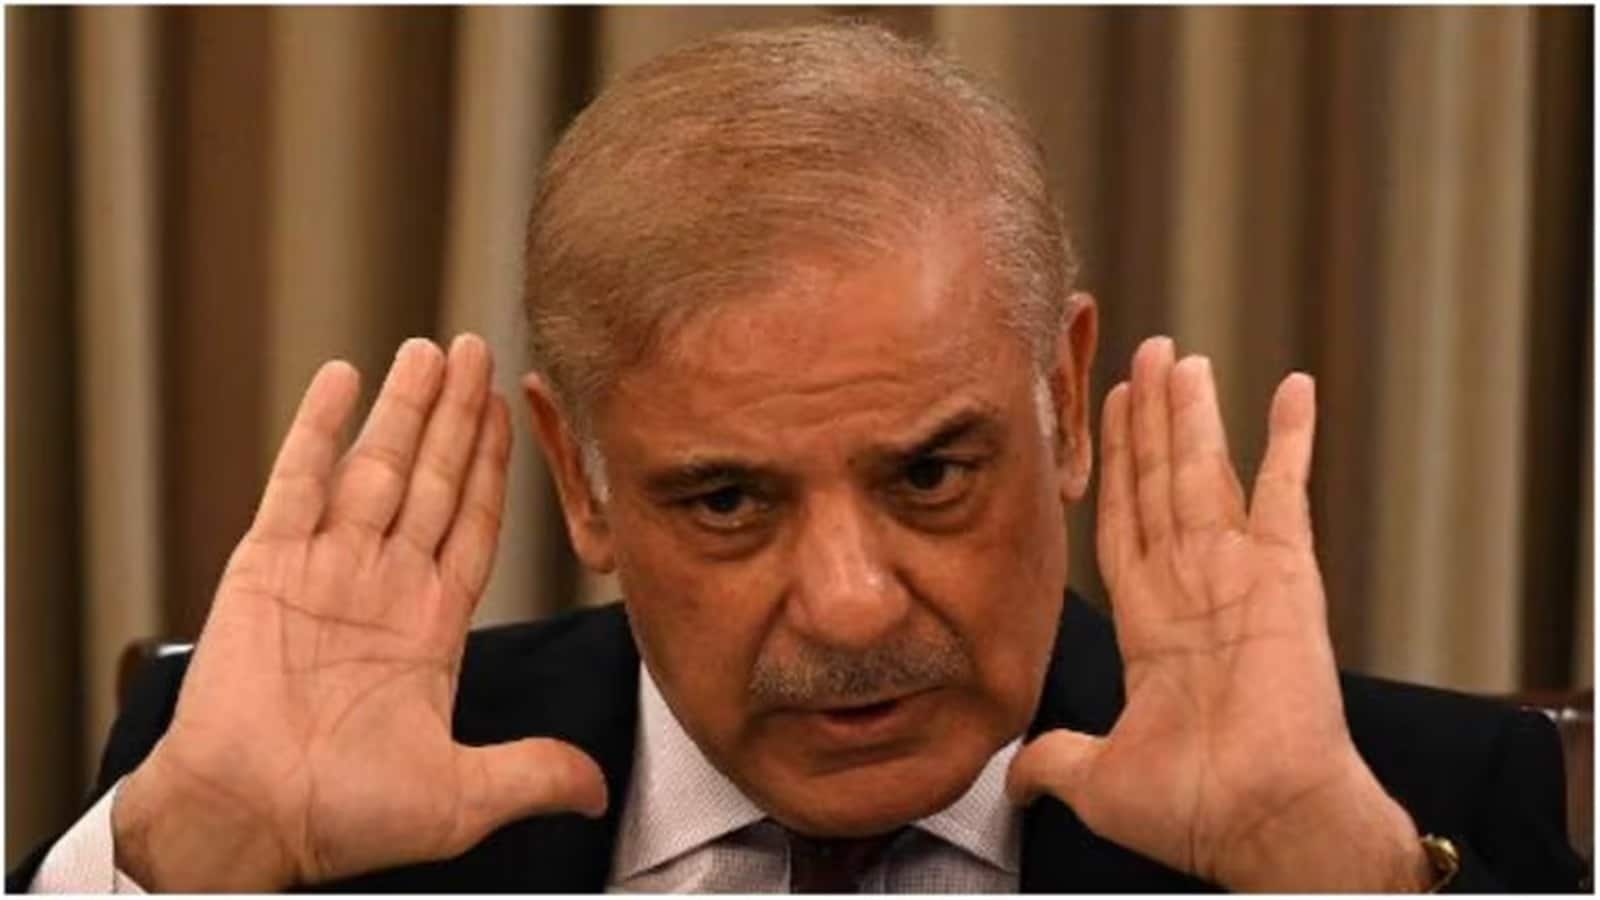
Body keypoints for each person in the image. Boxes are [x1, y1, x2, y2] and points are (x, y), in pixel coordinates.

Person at [11, 22, 1583, 893]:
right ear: (583, 481)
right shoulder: (285, 804)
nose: (847, 605)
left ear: (1063, 393)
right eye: (727, 499)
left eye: (930, 476)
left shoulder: (1417, 813)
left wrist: (1330, 878)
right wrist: (195, 863)